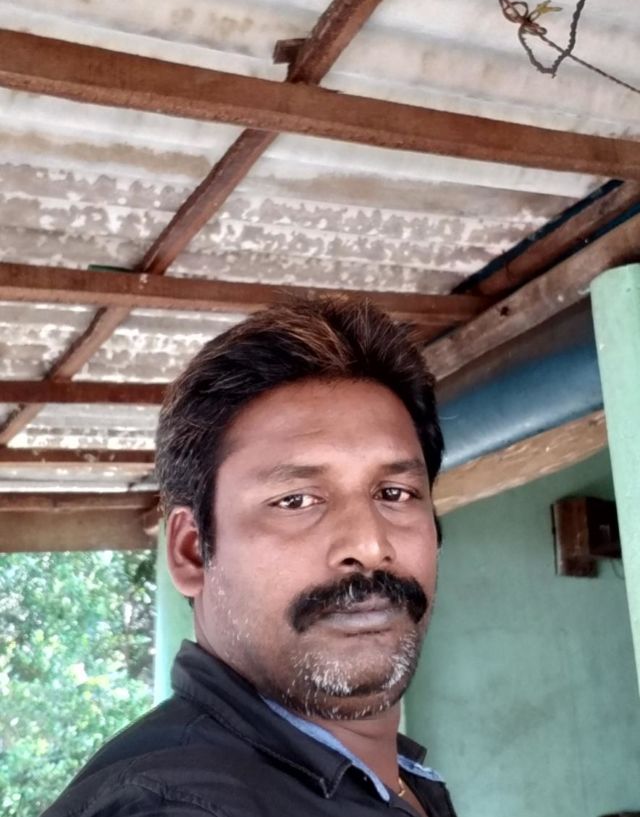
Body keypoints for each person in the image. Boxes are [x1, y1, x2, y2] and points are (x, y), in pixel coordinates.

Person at [43, 297, 458, 817]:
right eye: (296, 501)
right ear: (192, 552)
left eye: (394, 493)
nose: (370, 545)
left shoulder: (396, 778)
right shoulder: (176, 806)